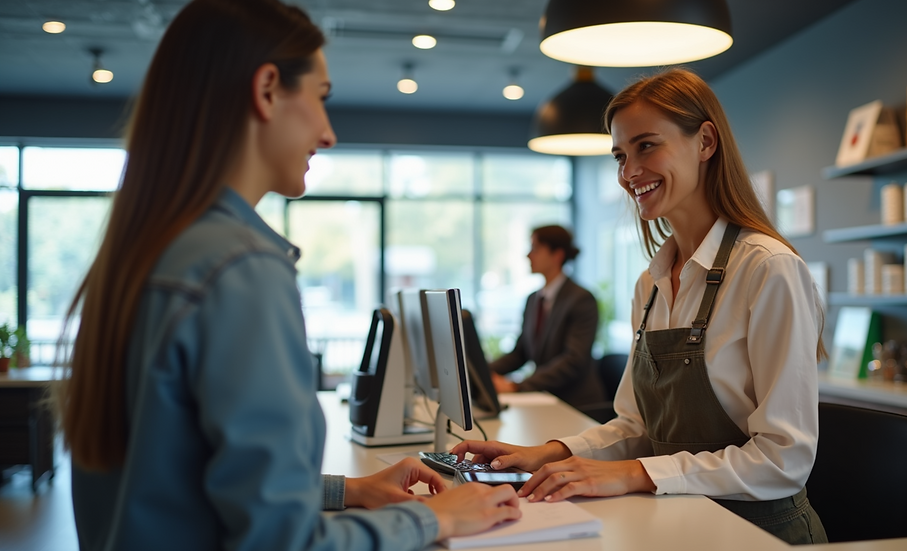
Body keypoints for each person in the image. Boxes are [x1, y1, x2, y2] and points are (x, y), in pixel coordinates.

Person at [55, 1, 520, 550]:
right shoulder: (240, 267)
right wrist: (439, 518)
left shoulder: (151, 249)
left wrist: (344, 490)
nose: (328, 134)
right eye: (321, 98)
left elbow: (175, 477)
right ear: (268, 88)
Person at [453, 68, 829, 545]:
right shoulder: (649, 284)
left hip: (760, 532)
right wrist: (545, 453)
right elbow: (637, 425)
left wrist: (636, 474)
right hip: (680, 521)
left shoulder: (769, 270)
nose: (628, 173)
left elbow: (784, 460)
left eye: (646, 146)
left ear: (706, 142)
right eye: (620, 156)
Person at [489, 225, 605, 411]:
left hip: (576, 405)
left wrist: (517, 386)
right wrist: (484, 371)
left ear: (557, 255)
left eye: (535, 248)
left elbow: (573, 360)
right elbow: (521, 352)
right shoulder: (533, 299)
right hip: (544, 399)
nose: (528, 255)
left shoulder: (581, 299)